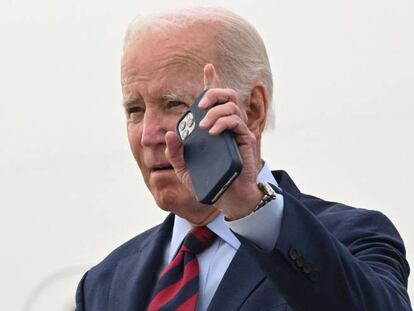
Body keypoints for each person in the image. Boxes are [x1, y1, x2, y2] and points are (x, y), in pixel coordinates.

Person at [76, 7, 411, 311]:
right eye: (135, 110)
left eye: (175, 104)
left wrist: (249, 206)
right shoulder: (103, 285)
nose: (148, 135)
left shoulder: (353, 237)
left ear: (252, 111)